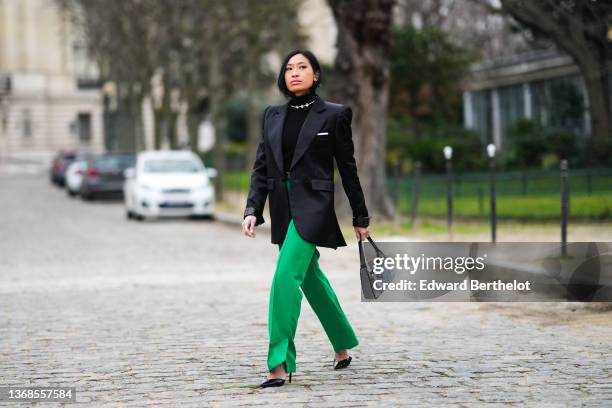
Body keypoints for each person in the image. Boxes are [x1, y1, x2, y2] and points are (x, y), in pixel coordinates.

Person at [242, 49, 370, 388]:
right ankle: (342, 343)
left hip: (313, 206)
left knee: (285, 276)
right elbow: (261, 168)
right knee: (310, 276)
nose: (294, 72)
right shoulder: (271, 115)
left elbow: (347, 168)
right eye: (289, 68)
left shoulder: (334, 115)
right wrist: (253, 208)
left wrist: (361, 215)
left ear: (316, 74)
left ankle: (279, 363)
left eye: (302, 67)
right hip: (283, 208)